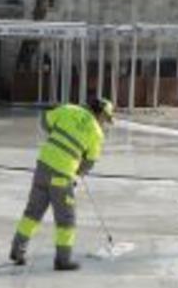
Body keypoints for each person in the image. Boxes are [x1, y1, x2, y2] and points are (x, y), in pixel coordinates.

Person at [9, 98, 115, 271]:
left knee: (32, 214)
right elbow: (89, 162)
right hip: (62, 175)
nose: (105, 123)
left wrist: (58, 135)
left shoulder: (68, 109)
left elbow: (45, 121)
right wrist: (77, 173)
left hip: (42, 167)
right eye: (106, 119)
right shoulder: (96, 133)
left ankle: (17, 250)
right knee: (66, 219)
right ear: (101, 114)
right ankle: (62, 260)